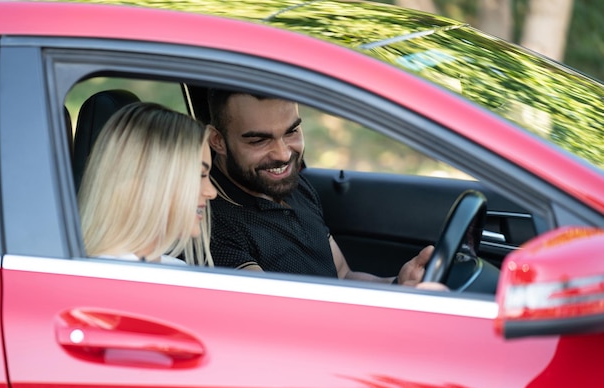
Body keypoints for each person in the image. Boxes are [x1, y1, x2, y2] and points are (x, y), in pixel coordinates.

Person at [206, 88, 440, 288]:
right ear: (217, 141)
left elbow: (341, 276)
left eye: (291, 132)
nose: (283, 154)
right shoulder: (214, 225)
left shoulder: (291, 186)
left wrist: (398, 285)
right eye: (259, 140)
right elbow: (278, 319)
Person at [78, 101, 217, 265]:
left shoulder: (174, 268)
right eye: (200, 175)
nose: (212, 192)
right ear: (150, 179)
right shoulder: (107, 277)